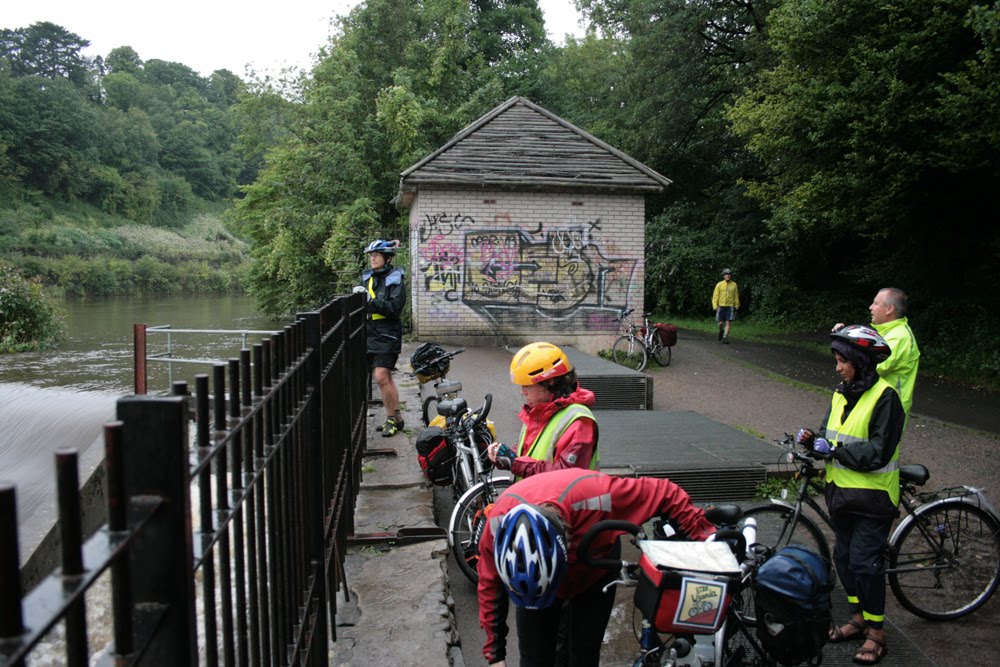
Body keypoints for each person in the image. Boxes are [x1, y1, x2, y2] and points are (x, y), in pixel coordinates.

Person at [477, 468, 717, 666]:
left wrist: (706, 539)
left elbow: (665, 492)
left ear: (567, 542)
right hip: (533, 588)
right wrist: (495, 655)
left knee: (583, 654)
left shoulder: (596, 494)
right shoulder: (496, 526)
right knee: (534, 659)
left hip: (594, 572)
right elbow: (489, 586)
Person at [796, 324, 905, 666]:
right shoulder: (841, 392)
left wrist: (834, 451)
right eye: (837, 360)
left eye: (843, 360)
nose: (838, 367)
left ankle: (876, 633)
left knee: (864, 563)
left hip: (873, 498)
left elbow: (878, 452)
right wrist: (812, 442)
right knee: (843, 558)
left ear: (860, 360)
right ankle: (861, 617)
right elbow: (832, 435)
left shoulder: (886, 397)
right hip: (842, 495)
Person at [486, 342, 598, 479]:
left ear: (549, 381)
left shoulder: (579, 422)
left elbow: (565, 476)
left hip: (553, 500)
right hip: (532, 498)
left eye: (527, 385)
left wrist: (516, 463)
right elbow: (529, 451)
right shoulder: (541, 410)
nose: (522, 392)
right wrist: (505, 456)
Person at [834, 287, 920, 417]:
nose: (870, 307)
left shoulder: (899, 337)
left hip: (888, 408)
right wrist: (843, 338)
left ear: (889, 309)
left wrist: (845, 348)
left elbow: (868, 367)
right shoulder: (884, 332)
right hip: (875, 402)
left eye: (875, 303)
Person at [354, 239, 405, 437]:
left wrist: (371, 301)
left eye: (377, 255)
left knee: (381, 376)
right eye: (371, 255)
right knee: (385, 379)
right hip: (369, 332)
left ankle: (391, 420)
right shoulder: (366, 277)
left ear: (387, 257)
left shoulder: (395, 278)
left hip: (388, 332)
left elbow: (394, 307)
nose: (373, 258)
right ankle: (397, 417)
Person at [712, 268, 740, 344]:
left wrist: (737, 305)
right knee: (720, 323)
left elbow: (736, 295)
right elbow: (715, 296)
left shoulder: (734, 285)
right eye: (726, 274)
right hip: (721, 306)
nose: (728, 276)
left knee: (728, 322)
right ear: (723, 276)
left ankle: (725, 337)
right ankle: (721, 331)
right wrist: (715, 306)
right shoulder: (719, 284)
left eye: (729, 274)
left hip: (730, 306)